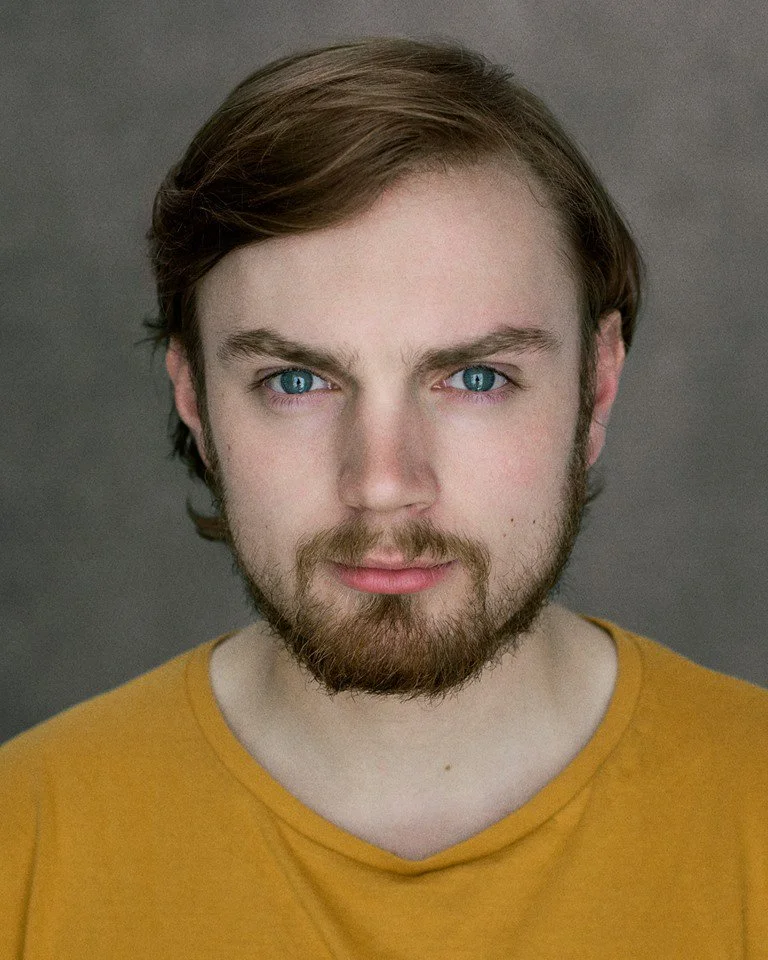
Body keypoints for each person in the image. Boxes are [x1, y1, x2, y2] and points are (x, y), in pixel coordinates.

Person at [2, 37, 766, 959]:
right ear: (194, 398)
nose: (383, 483)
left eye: (477, 378)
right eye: (295, 382)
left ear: (596, 387)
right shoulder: (22, 840)